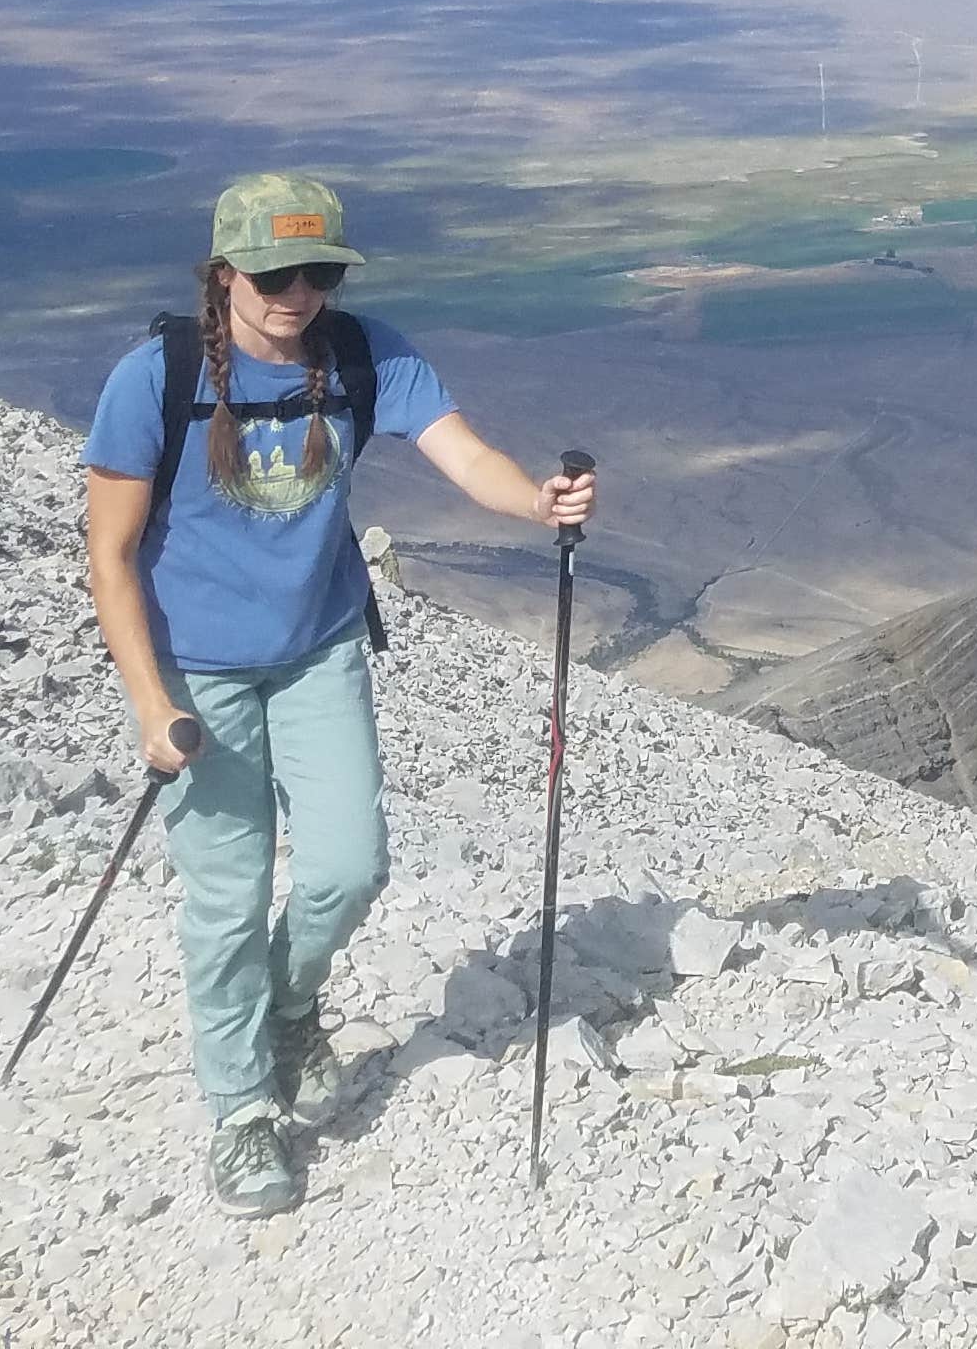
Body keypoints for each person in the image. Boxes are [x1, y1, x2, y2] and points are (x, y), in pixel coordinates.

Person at [80, 170, 596, 1218]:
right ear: (224, 270)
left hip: (318, 648)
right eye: (274, 271)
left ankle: (287, 1009)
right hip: (201, 672)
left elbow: (464, 454)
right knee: (225, 902)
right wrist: (148, 703)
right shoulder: (155, 378)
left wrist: (537, 502)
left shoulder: (364, 354)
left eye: (318, 271)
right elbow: (111, 554)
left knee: (351, 867)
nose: (297, 291)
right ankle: (237, 1111)